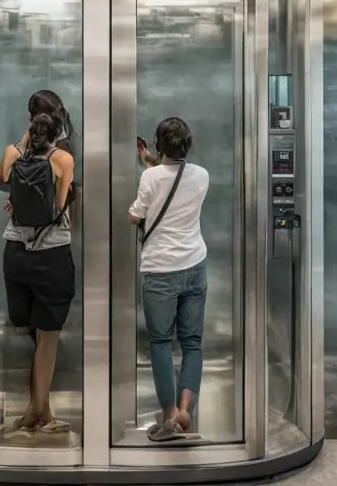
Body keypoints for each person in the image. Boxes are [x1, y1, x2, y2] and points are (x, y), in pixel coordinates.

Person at [0, 91, 76, 435]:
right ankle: (39, 411)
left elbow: (1, 183)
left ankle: (37, 410)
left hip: (15, 254)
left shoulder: (12, 152)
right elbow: (57, 209)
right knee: (48, 338)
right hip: (51, 256)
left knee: (33, 333)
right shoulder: (63, 159)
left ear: (31, 119)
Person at [127, 117, 209, 442]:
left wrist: (150, 165)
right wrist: (151, 161)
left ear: (159, 145)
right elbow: (174, 177)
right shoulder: (201, 175)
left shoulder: (150, 178)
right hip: (195, 266)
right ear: (187, 145)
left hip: (161, 271)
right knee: (192, 343)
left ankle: (168, 416)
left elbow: (135, 216)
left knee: (161, 342)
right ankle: (186, 409)